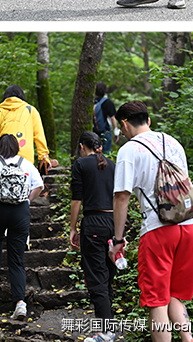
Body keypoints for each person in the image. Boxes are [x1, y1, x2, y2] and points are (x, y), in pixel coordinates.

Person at [109, 101, 193, 342]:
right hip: (190, 226)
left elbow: (121, 197)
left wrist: (118, 240)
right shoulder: (172, 142)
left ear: (124, 124)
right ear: (148, 120)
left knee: (157, 301)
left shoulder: (128, 150)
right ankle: (188, 339)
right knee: (174, 295)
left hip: (159, 230)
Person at [0, 134, 43, 321]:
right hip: (19, 212)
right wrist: (26, 200)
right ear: (16, 147)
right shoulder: (26, 164)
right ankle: (20, 304)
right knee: (16, 259)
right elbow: (39, 185)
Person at [70, 131, 117, 342]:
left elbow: (76, 200)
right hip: (113, 223)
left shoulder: (81, 165)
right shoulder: (113, 165)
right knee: (107, 274)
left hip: (93, 223)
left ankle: (106, 332)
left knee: (97, 277)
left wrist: (72, 228)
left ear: (82, 146)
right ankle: (108, 323)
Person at [0, 84, 54, 172]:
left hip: (3, 154)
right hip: (25, 157)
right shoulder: (31, 110)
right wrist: (44, 157)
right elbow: (39, 136)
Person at [92, 82, 119, 154]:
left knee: (95, 151)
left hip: (94, 131)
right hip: (106, 131)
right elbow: (113, 118)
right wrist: (116, 132)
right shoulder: (107, 102)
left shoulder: (92, 102)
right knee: (106, 152)